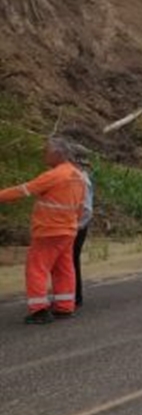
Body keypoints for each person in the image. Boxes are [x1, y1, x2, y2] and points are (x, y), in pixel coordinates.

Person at [0, 137, 87, 324]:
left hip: (49, 230)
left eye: (46, 152)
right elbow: (80, 206)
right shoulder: (78, 175)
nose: (44, 155)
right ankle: (65, 307)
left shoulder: (55, 175)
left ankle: (38, 310)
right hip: (68, 230)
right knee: (64, 268)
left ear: (58, 154)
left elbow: (24, 190)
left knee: (36, 269)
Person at [72, 150, 94, 307]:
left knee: (71, 260)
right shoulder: (78, 178)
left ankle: (75, 296)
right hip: (76, 225)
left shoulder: (82, 180)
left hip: (77, 227)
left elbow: (87, 209)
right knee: (70, 261)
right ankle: (71, 295)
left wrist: (77, 227)